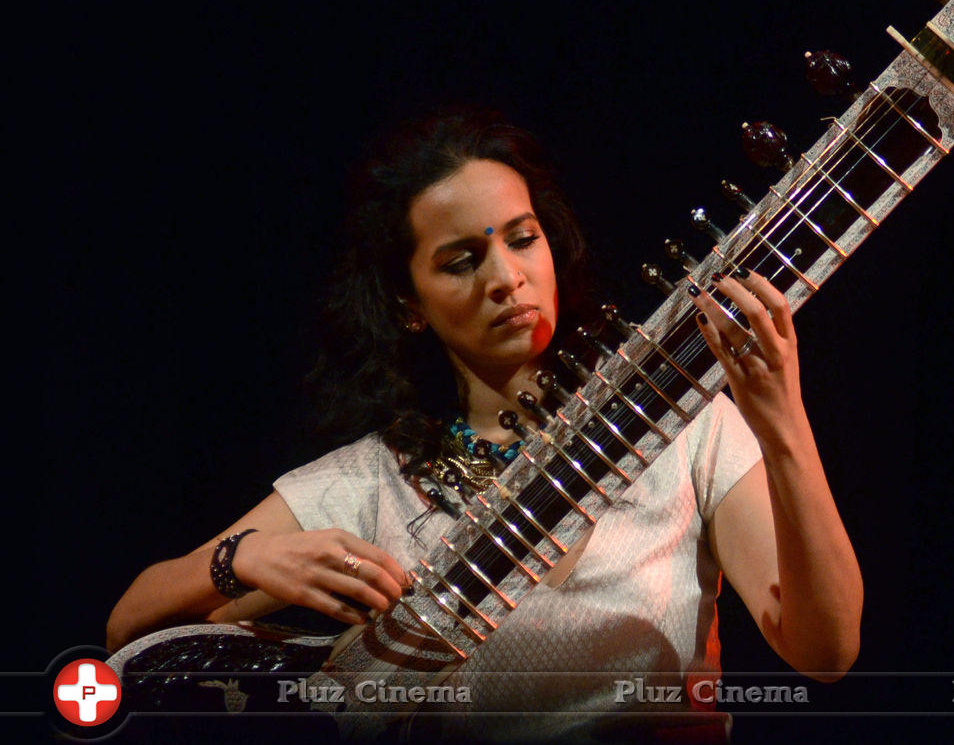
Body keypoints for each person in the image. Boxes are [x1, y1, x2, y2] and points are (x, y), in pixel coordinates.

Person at [106, 108, 863, 741]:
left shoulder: (684, 425)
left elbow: (825, 650)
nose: (506, 278)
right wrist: (240, 561)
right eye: (462, 259)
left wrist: (783, 424)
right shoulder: (373, 479)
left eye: (522, 238)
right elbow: (127, 631)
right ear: (409, 303)